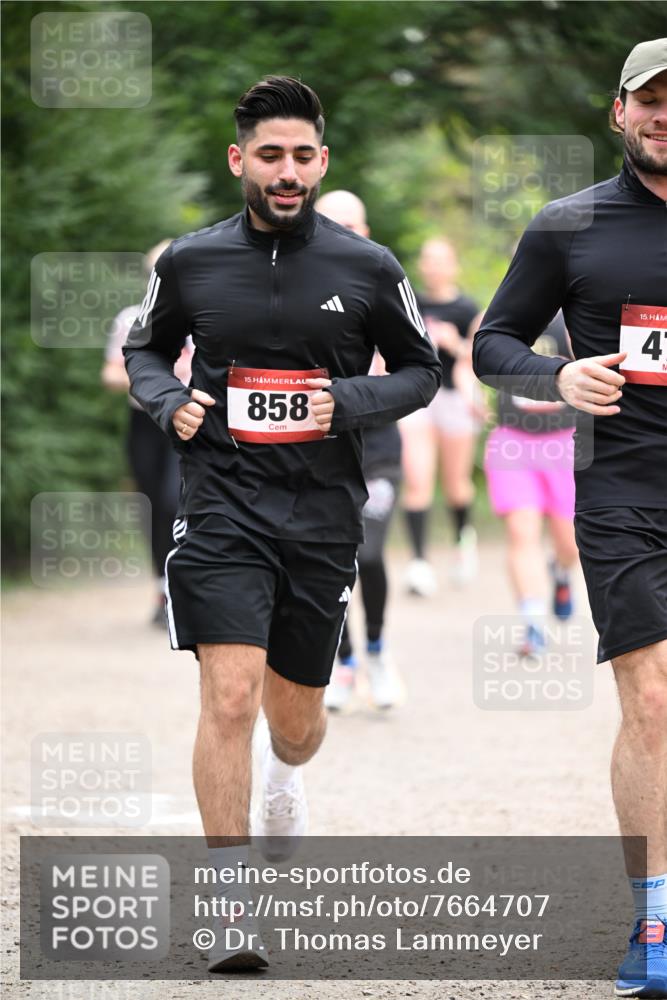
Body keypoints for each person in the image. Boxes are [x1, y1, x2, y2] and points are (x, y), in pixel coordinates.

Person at [123, 76, 440, 971]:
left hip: (319, 512)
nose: (287, 170)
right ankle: (228, 910)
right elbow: (143, 348)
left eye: (303, 155)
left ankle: (287, 777)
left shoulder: (367, 268)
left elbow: (422, 372)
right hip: (220, 503)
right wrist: (165, 399)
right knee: (227, 695)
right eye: (270, 154)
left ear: (322, 161)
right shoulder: (189, 261)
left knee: (293, 722)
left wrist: (345, 401)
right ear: (240, 161)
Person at [473, 39, 667, 998]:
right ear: (618, 113)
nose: (665, 116)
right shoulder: (570, 226)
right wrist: (557, 374)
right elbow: (490, 345)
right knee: (653, 700)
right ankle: (656, 918)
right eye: (651, 101)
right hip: (622, 492)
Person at [314, 189, 403, 711]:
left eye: (353, 224)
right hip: (321, 454)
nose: (344, 232)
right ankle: (343, 659)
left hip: (379, 452)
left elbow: (418, 370)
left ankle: (376, 649)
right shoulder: (290, 289)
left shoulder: (385, 286)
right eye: (333, 223)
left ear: (366, 231)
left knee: (366, 552)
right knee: (332, 561)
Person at [101, 241, 193, 625]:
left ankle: (184, 585)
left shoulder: (204, 317)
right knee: (153, 505)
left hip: (187, 423)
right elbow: (110, 373)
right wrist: (150, 382)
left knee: (175, 502)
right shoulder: (131, 319)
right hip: (144, 423)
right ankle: (162, 589)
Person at [483, 312, 579, 656]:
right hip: (513, 442)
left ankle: (561, 572)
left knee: (570, 544)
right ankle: (534, 625)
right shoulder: (498, 316)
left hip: (566, 441)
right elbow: (469, 359)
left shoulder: (575, 318)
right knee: (522, 534)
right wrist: (469, 393)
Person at [399, 237, 482, 595]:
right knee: (417, 480)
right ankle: (419, 562)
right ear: (421, 265)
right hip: (418, 400)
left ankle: (463, 542)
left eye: (441, 260)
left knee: (455, 485)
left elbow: (479, 358)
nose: (434, 266)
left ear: (454, 266)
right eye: (428, 259)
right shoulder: (410, 303)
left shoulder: (468, 309)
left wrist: (454, 344)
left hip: (455, 400)